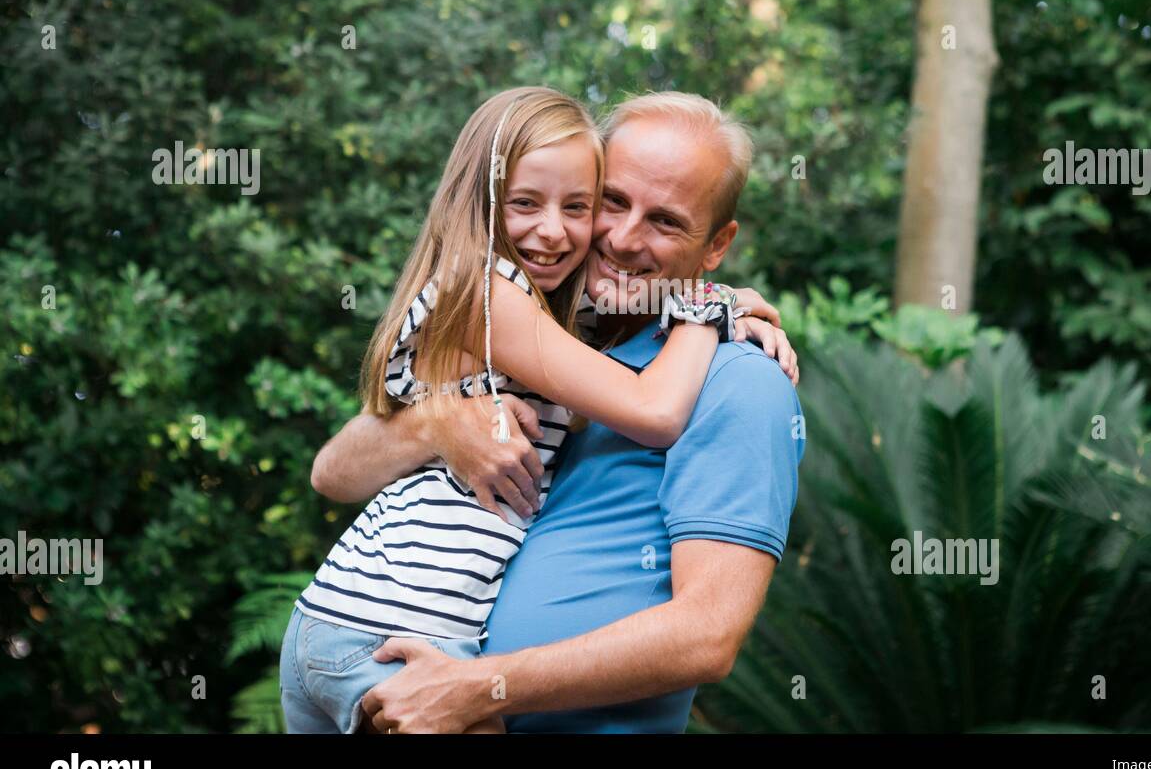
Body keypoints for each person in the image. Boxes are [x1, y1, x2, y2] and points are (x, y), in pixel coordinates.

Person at [280, 87, 788, 734]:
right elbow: (333, 474)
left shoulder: (738, 380)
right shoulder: (544, 325)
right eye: (610, 202)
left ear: (716, 245)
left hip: (423, 665)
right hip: (386, 640)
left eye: (665, 221)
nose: (623, 237)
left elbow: (706, 637)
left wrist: (481, 689)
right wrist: (439, 420)